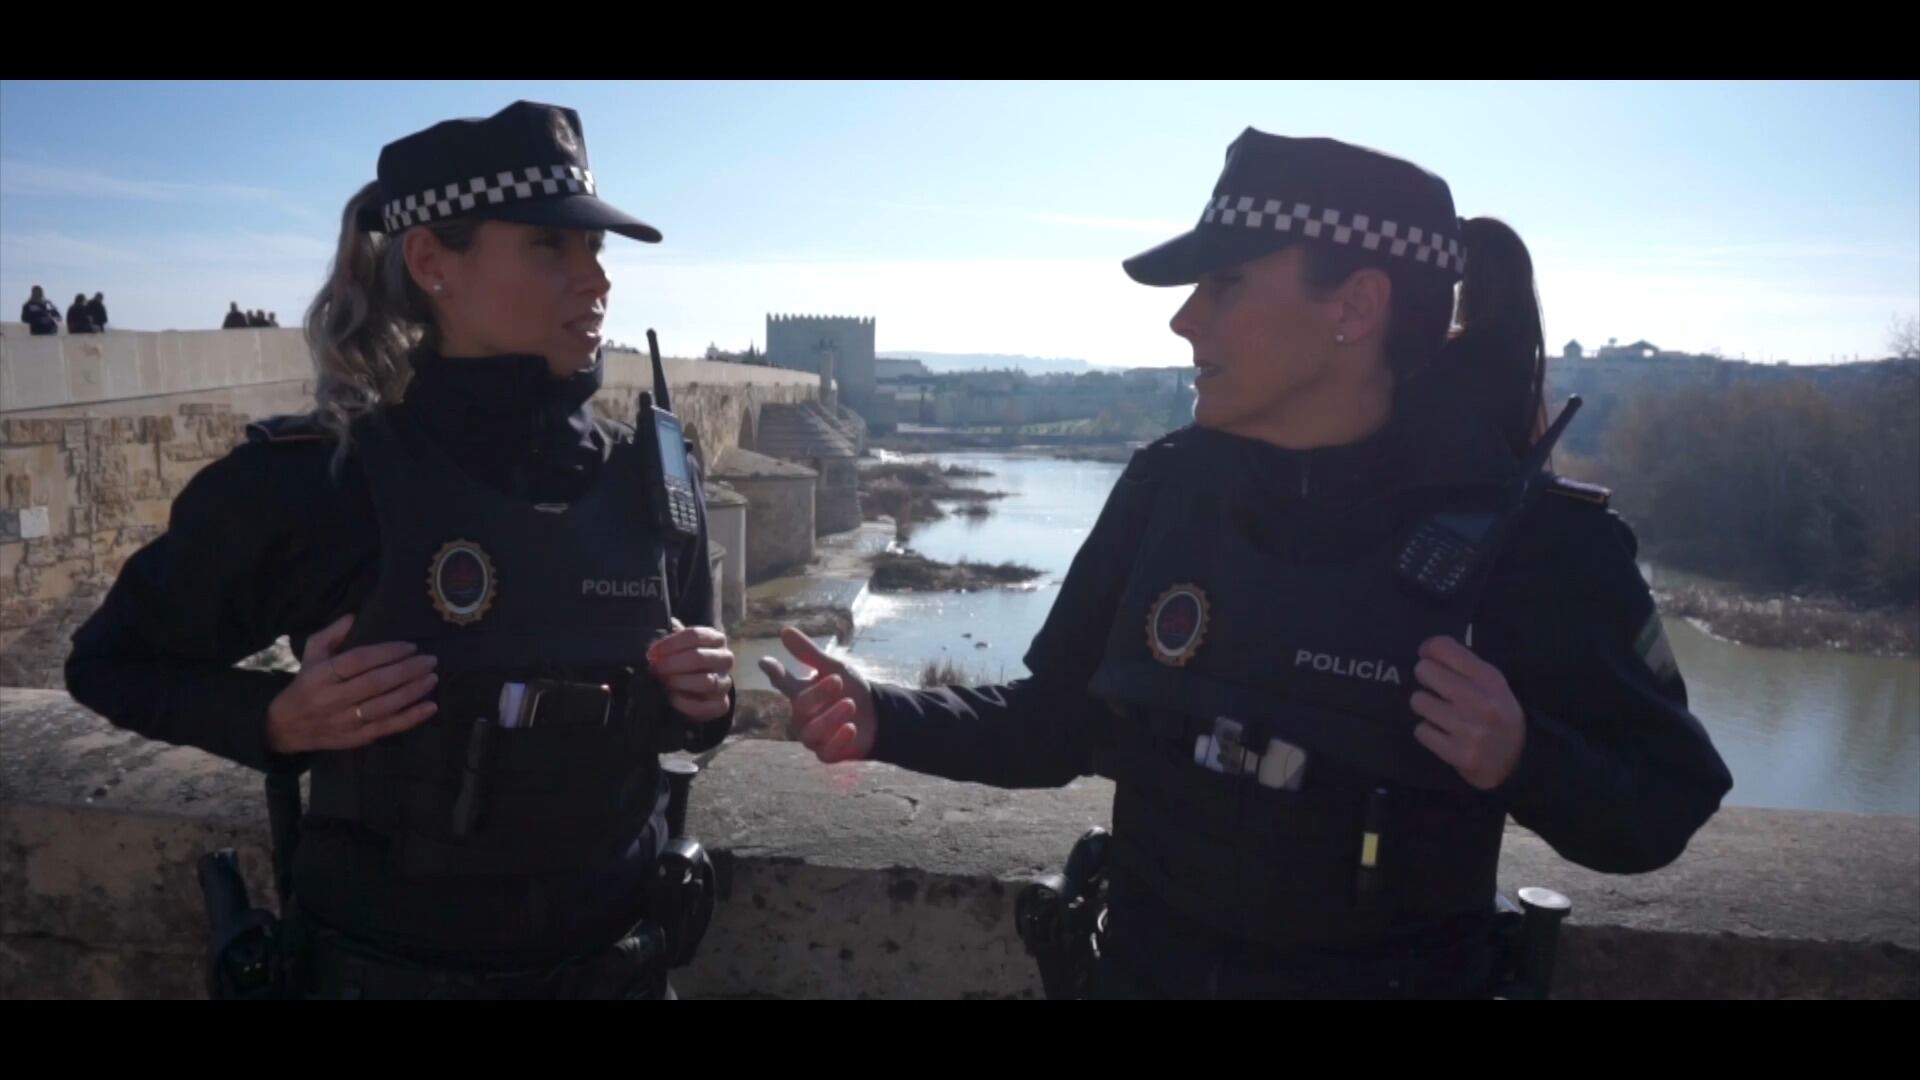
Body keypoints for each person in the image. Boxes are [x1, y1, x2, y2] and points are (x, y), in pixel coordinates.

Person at [760, 129, 1733, 999]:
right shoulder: (1169, 487)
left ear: (1354, 306)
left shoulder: (1531, 541)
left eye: (1226, 283)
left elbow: (1665, 802)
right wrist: (883, 716)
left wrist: (1526, 755)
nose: (1186, 320)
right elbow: (1056, 724)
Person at [67, 100, 735, 1000]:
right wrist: (272, 721)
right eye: (550, 245)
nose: (595, 280)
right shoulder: (319, 481)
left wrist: (705, 699)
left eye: (597, 250)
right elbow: (109, 664)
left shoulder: (653, 474)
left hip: (619, 965)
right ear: (432, 263)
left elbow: (695, 713)